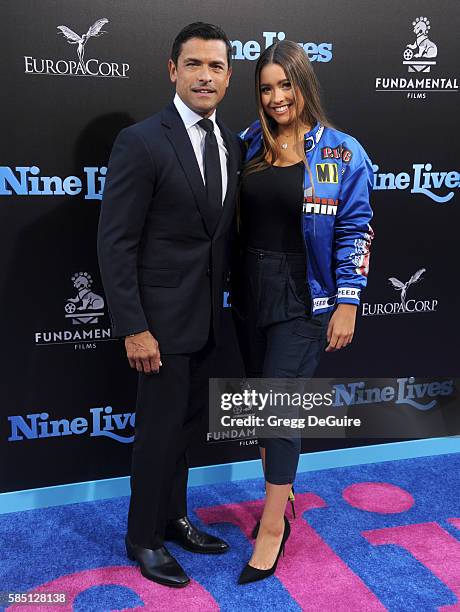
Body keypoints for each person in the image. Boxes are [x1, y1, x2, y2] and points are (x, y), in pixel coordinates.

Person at [97, 22, 242, 588]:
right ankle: (143, 538)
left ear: (229, 77)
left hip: (208, 320)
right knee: (157, 436)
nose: (206, 75)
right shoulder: (141, 141)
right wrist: (133, 327)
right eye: (195, 65)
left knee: (184, 432)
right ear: (172, 71)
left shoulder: (231, 142)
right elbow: (116, 242)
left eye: (216, 67)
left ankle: (175, 517)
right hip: (157, 325)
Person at [232, 40, 374, 585]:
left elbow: (355, 229)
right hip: (248, 291)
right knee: (261, 406)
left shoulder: (341, 152)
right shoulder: (247, 142)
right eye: (266, 88)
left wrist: (348, 300)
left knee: (278, 407)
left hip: (307, 293)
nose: (275, 98)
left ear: (303, 84)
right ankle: (281, 492)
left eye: (285, 85)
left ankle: (272, 529)